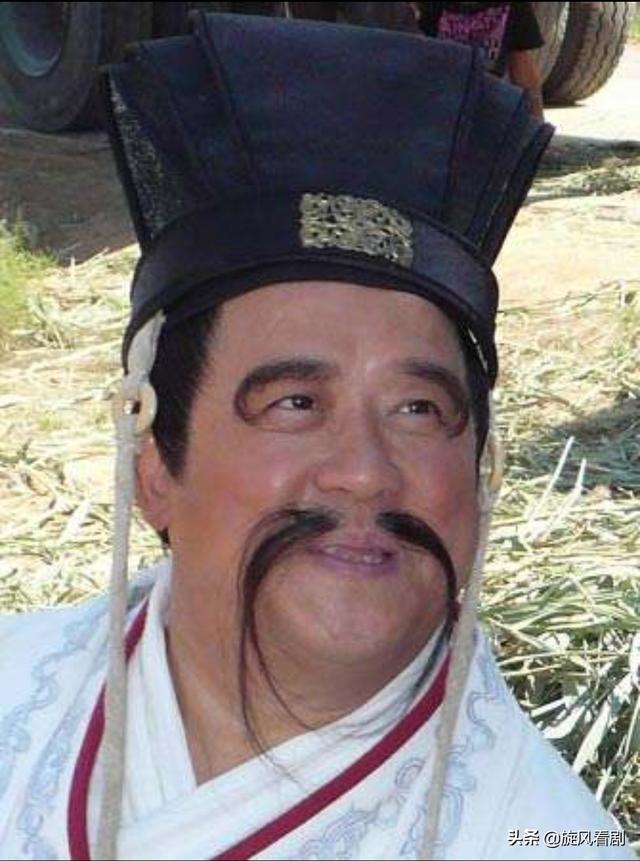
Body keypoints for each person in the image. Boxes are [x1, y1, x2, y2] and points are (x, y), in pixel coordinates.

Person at [0, 12, 632, 861]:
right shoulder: (18, 695)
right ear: (153, 468)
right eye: (295, 402)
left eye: (419, 409)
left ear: (484, 477)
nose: (364, 472)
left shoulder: (539, 835)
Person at [418, 2, 546, 118]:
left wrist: (537, 126)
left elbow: (524, 77)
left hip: (486, 110)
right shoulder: (432, 7)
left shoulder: (513, 7)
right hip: (442, 108)